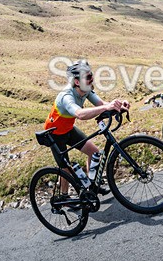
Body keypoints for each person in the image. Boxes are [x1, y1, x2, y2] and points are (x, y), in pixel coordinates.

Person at [44, 60, 131, 191]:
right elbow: (80, 114)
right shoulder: (66, 96)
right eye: (88, 77)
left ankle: (91, 186)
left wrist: (118, 106)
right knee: (66, 169)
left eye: (92, 75)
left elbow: (101, 104)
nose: (92, 80)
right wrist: (106, 107)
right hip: (54, 134)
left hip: (68, 129)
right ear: (77, 81)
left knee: (94, 152)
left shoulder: (86, 90)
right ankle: (65, 197)